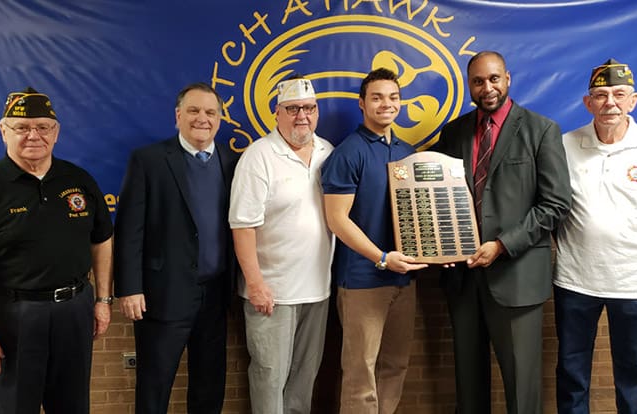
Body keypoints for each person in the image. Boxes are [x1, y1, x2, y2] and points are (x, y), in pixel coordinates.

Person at [431, 51, 571, 414]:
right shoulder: (454, 132)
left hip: (517, 275)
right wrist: (442, 247)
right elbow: (441, 197)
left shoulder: (542, 130)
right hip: (463, 278)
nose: (487, 87)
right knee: (468, 386)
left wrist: (502, 245)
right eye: (478, 81)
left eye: (494, 79)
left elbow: (555, 204)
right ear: (469, 85)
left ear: (508, 78)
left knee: (522, 391)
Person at [0, 87, 113, 413]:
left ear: (57, 132)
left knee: (72, 406)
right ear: (3, 130)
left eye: (43, 127)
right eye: (22, 128)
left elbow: (102, 238)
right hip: (12, 317)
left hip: (74, 312)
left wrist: (103, 300)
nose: (33, 135)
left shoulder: (79, 180)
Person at [554, 59, 637, 414]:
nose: (610, 102)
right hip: (576, 279)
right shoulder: (563, 146)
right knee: (572, 373)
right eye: (601, 95)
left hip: (636, 282)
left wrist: (630, 240)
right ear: (587, 102)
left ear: (633, 100)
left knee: (635, 374)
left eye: (619, 94)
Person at [113, 82, 239, 414]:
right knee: (155, 387)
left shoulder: (233, 161)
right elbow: (128, 230)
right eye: (194, 111)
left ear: (220, 119)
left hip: (214, 295)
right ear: (178, 116)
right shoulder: (149, 160)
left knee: (209, 385)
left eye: (211, 112)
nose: (203, 119)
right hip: (161, 295)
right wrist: (129, 288)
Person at [321, 67, 428, 414]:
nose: (387, 104)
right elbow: (336, 220)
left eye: (393, 97)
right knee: (360, 373)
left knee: (395, 367)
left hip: (404, 279)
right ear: (362, 104)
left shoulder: (407, 151)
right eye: (378, 97)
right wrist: (381, 258)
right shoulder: (347, 153)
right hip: (363, 283)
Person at [229, 76, 334, 413]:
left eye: (308, 108)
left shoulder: (327, 152)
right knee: (269, 377)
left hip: (318, 290)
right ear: (277, 113)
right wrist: (256, 284)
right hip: (272, 293)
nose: (301, 115)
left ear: (316, 112)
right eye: (292, 109)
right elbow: (242, 226)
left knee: (304, 379)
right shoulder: (258, 156)